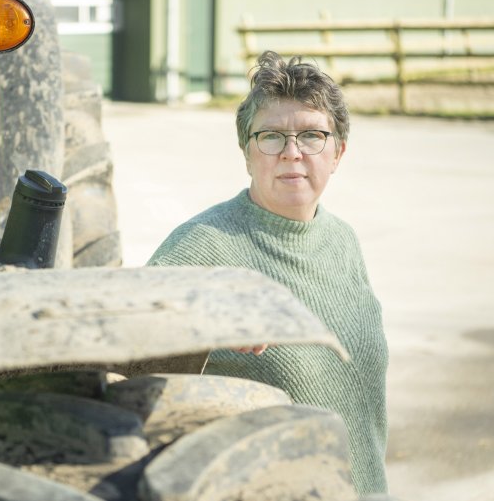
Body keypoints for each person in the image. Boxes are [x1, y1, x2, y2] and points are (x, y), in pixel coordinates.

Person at [146, 50, 388, 495]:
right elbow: (129, 360)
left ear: (337, 152)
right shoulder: (204, 245)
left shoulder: (341, 240)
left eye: (312, 135)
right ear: (247, 152)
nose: (292, 153)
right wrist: (200, 330)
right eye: (271, 137)